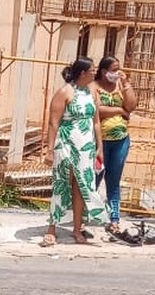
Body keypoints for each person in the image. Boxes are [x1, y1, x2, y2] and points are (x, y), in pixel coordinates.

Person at [41, 56, 107, 247]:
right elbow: (54, 123)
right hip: (67, 144)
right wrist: (50, 150)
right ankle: (52, 228)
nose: (96, 72)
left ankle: (77, 229)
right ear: (82, 73)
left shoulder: (91, 92)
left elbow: (96, 122)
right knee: (62, 184)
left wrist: (99, 146)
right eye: (92, 69)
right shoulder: (65, 92)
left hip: (85, 146)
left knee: (82, 186)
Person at [94, 52, 138, 234]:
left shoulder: (120, 86)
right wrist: (119, 110)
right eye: (113, 70)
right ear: (104, 71)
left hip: (120, 140)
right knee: (93, 179)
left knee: (114, 180)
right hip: (100, 141)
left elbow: (132, 106)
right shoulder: (94, 87)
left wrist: (126, 84)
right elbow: (98, 111)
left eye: (118, 70)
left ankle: (114, 218)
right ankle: (87, 215)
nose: (117, 73)